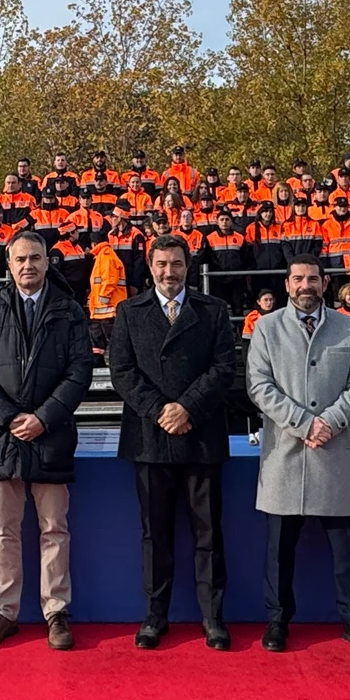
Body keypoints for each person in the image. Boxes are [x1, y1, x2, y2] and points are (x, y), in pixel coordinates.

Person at [107, 234, 239, 650]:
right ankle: (155, 616)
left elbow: (224, 368)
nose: (169, 272)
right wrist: (161, 411)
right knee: (155, 534)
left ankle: (213, 618)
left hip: (201, 437)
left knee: (209, 533)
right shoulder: (128, 312)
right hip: (150, 437)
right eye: (162, 264)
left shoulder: (214, 310)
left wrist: (187, 409)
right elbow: (122, 371)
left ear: (188, 266)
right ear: (150, 267)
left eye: (176, 264)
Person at [0, 232, 94, 651]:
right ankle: (5, 612)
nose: (28, 266)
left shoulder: (69, 311)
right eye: (20, 259)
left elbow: (80, 372)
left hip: (51, 436)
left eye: (35, 258)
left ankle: (56, 611)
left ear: (46, 261)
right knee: (5, 530)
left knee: (54, 528)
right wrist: (7, 417)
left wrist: (42, 418)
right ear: (9, 262)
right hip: (3, 440)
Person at [246, 257, 350, 656]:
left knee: (346, 552)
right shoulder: (266, 329)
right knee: (279, 551)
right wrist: (305, 424)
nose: (306, 285)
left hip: (333, 451)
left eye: (313, 279)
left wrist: (331, 421)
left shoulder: (349, 327)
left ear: (325, 283)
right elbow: (259, 386)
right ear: (287, 285)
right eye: (298, 279)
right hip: (286, 453)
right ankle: (277, 620)